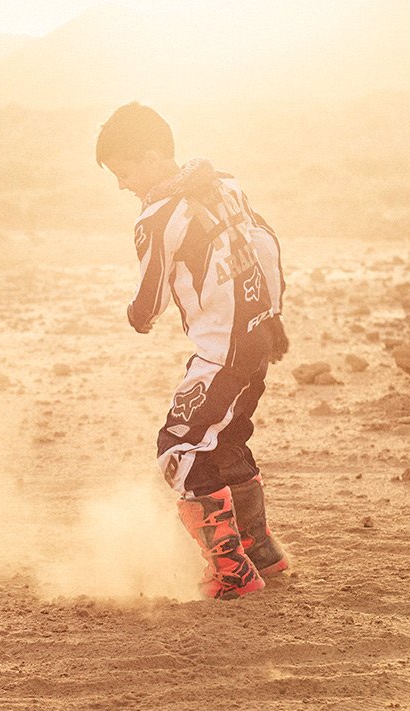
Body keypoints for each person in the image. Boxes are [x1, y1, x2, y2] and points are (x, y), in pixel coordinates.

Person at [96, 102, 290, 600]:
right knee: (225, 441)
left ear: (152, 157)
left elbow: (149, 300)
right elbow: (266, 245)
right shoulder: (227, 185)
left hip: (222, 354)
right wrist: (273, 315)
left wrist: (136, 317)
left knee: (179, 448)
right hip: (258, 339)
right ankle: (261, 551)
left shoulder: (159, 217)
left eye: (124, 172)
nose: (121, 185)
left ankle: (231, 573)